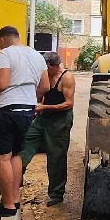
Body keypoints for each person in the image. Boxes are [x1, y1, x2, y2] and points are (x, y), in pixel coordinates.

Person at [0, 26, 48, 216]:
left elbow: (1, 83)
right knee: (16, 155)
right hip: (27, 110)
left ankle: (7, 205)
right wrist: (30, 99)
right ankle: (15, 199)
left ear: (2, 39)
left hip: (5, 110)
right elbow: (45, 86)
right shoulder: (37, 55)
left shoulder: (4, 54)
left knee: (2, 157)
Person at [20, 51, 76, 206]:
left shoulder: (67, 78)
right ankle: (15, 179)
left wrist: (44, 106)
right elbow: (39, 95)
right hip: (42, 118)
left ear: (52, 65)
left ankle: (56, 194)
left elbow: (68, 104)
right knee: (24, 144)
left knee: (56, 157)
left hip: (60, 120)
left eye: (45, 67)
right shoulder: (45, 76)